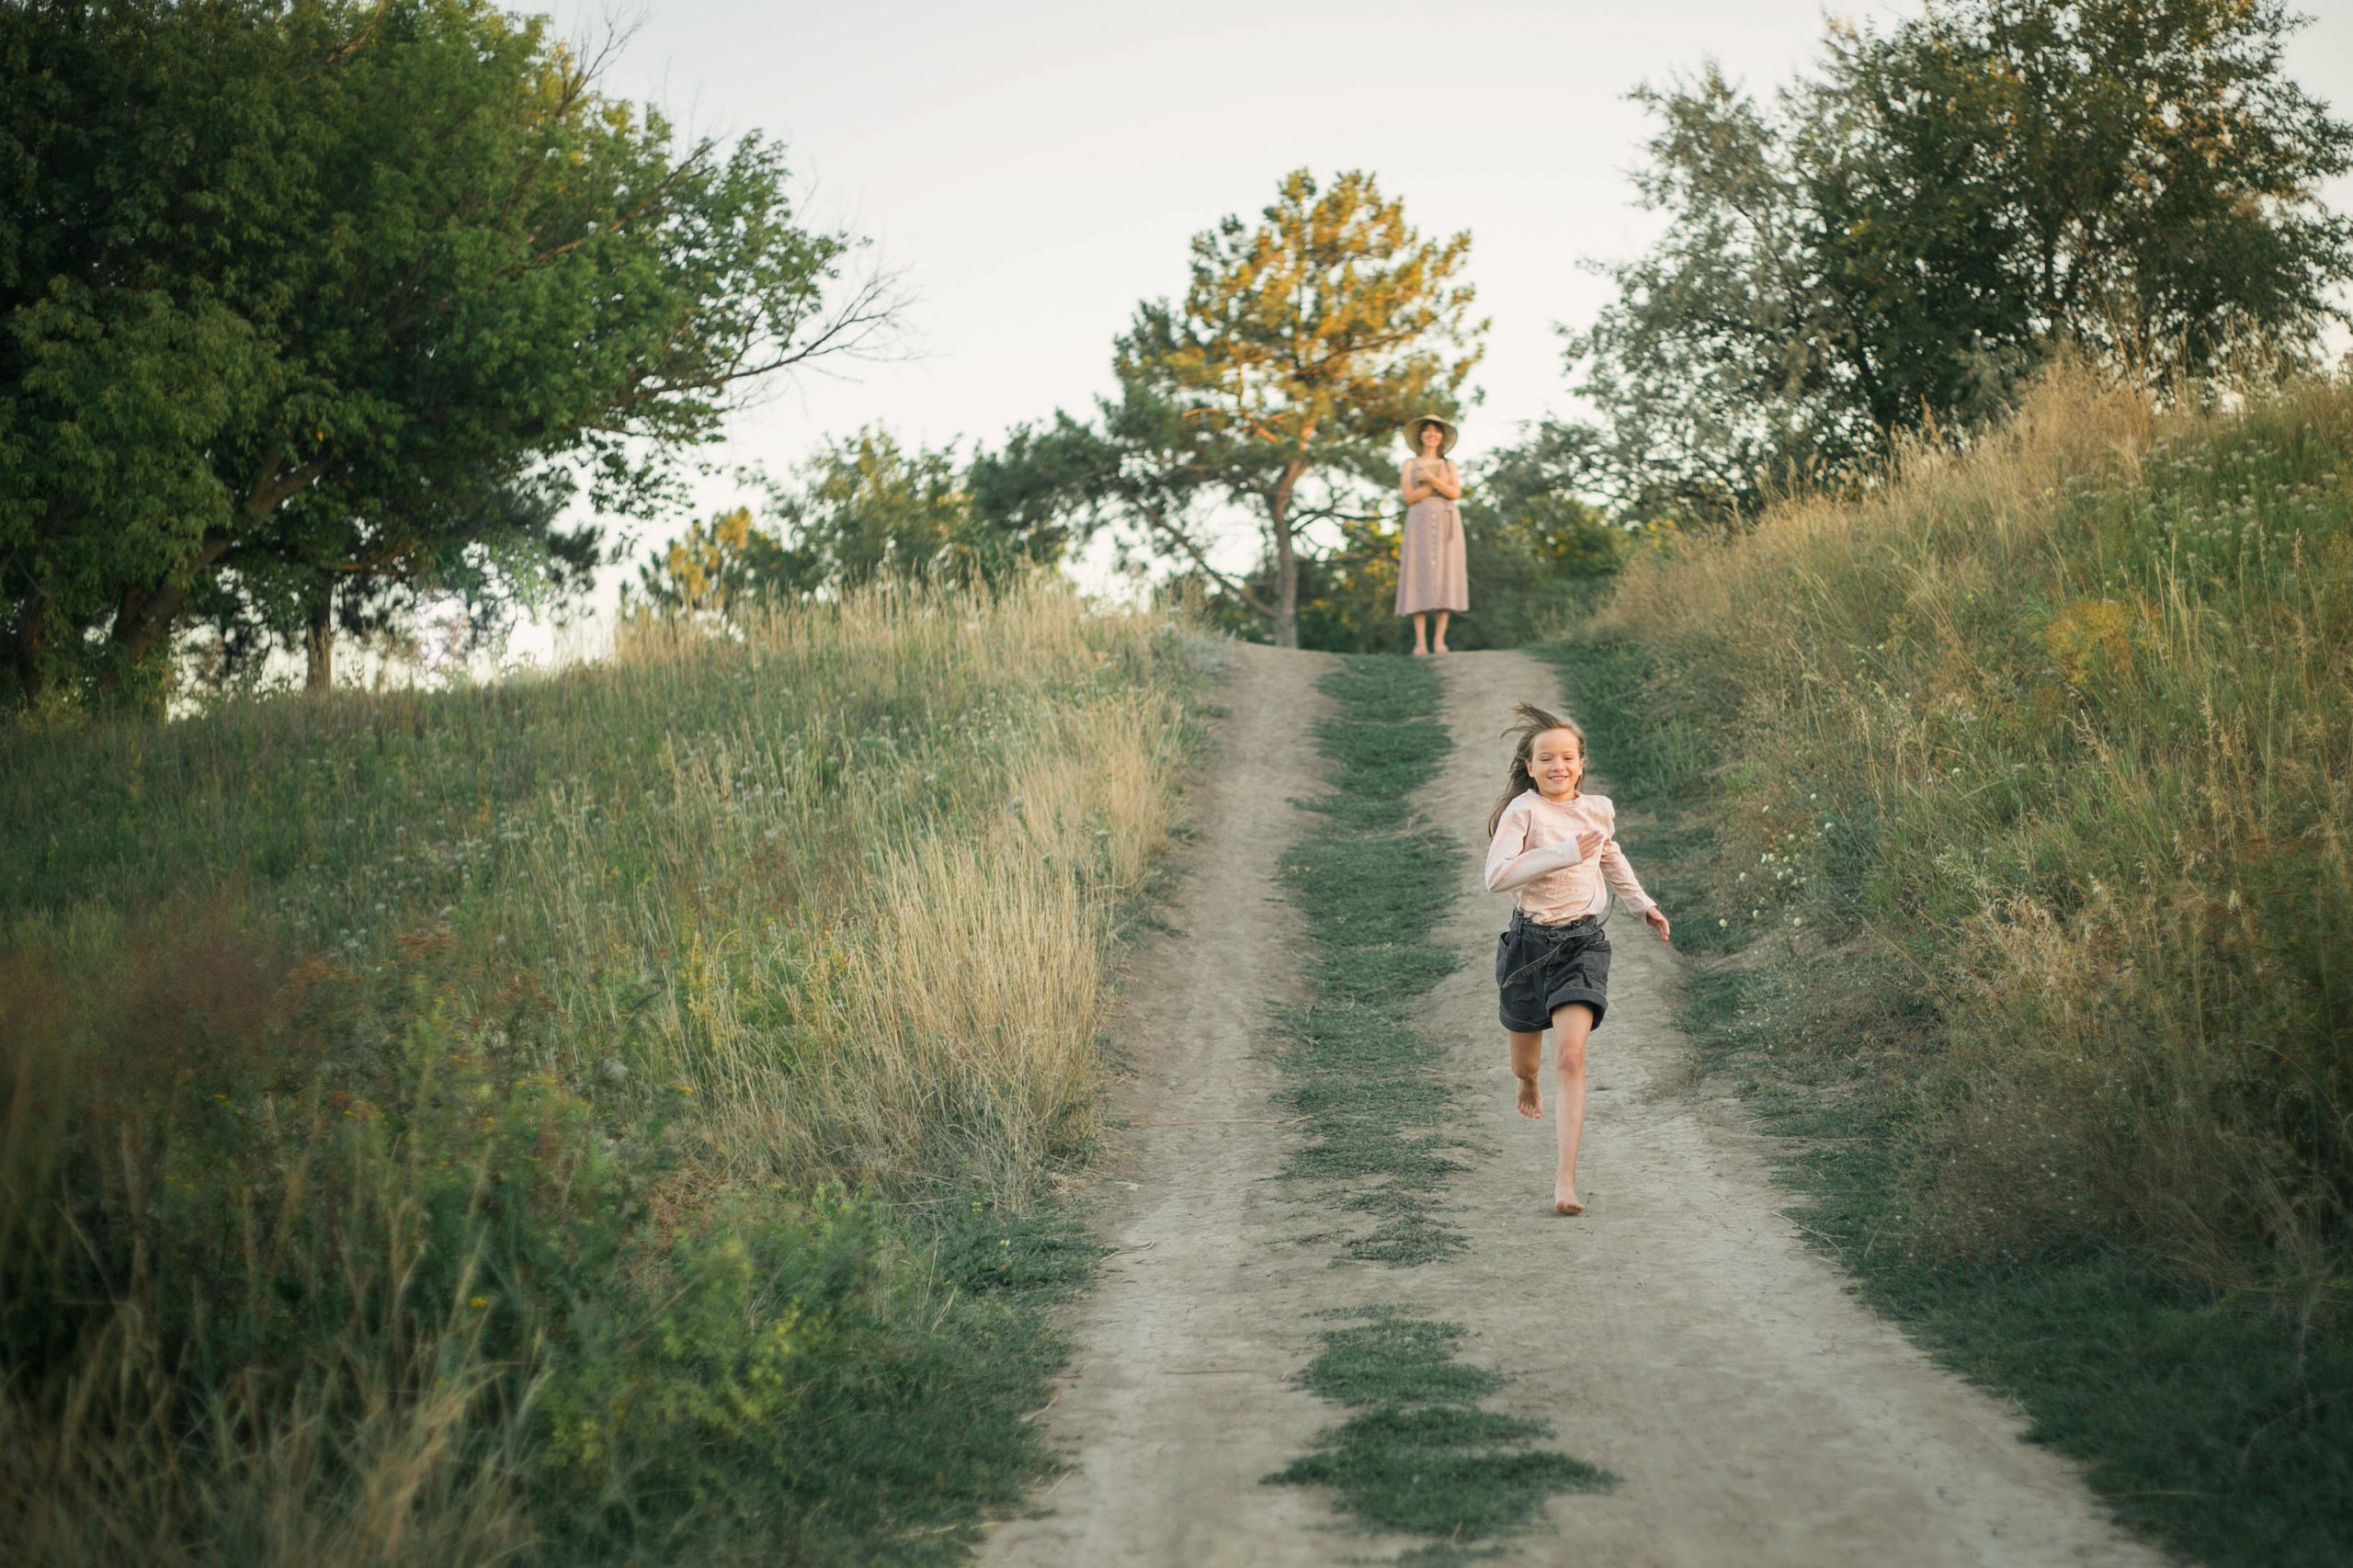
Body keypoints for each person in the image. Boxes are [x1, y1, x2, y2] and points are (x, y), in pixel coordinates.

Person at [1483, 702, 1671, 1214]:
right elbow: (1496, 877)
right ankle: (1527, 1081)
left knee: (1571, 1057)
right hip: (1527, 947)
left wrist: (1641, 903)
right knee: (1527, 1061)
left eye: (1567, 757)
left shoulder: (1597, 809)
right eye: (1546, 759)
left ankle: (1565, 1182)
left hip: (1582, 946)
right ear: (1530, 766)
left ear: (1581, 764)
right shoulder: (1523, 812)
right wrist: (1564, 852)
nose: (1557, 766)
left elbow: (1609, 854)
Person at [1396, 415, 1467, 654]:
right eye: (1427, 431)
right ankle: (1420, 642)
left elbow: (1455, 493)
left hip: (1447, 521)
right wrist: (1434, 485)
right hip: (1419, 523)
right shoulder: (1409, 464)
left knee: (1446, 576)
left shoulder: (1450, 465)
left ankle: (1439, 640)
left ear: (1442, 437)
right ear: (1420, 436)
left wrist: (1430, 478)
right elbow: (1409, 497)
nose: (1431, 435)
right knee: (1419, 574)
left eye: (1436, 431)